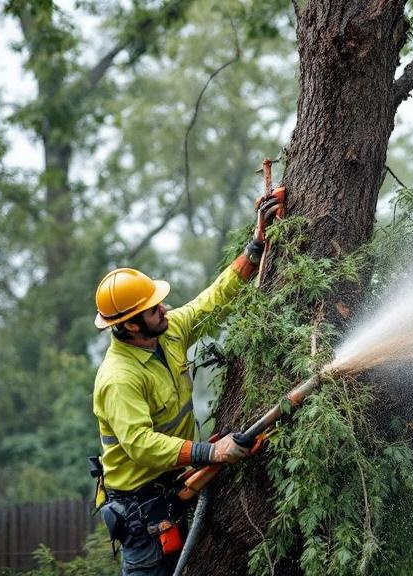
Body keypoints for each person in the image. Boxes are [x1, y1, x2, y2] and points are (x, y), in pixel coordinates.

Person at [91, 187, 284, 575]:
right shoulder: (118, 378)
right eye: (152, 308)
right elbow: (142, 445)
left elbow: (210, 301)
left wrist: (254, 250)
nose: (164, 308)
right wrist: (211, 453)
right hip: (143, 517)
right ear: (129, 325)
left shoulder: (168, 331)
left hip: (178, 488)